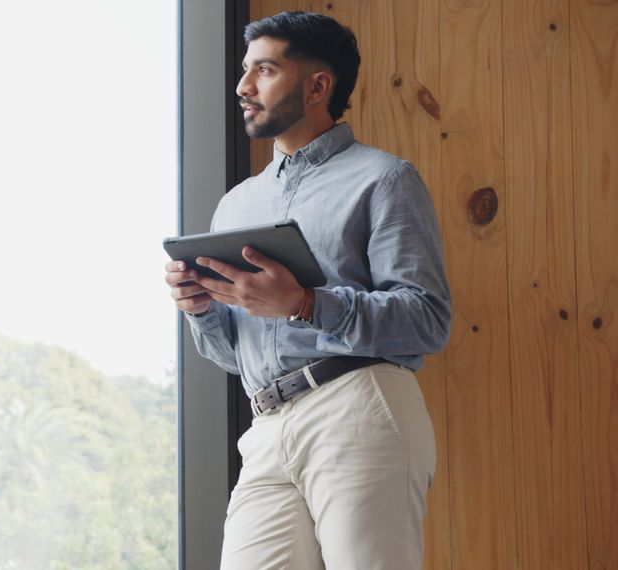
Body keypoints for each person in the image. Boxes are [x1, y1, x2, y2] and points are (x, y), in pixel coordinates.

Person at [164, 11, 452, 570]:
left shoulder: (385, 179)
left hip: (358, 407)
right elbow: (233, 354)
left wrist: (303, 304)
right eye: (245, 70)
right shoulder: (236, 205)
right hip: (267, 425)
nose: (243, 86)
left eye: (264, 70)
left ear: (319, 86)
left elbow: (428, 318)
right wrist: (202, 310)